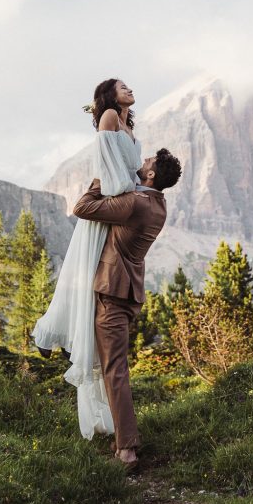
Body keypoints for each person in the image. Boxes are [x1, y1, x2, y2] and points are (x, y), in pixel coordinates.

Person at [32, 78, 141, 439]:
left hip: (118, 206)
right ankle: (51, 334)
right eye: (123, 86)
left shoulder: (126, 123)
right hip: (109, 205)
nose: (130, 89)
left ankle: (106, 412)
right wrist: (128, 201)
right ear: (109, 96)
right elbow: (110, 174)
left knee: (94, 287)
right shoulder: (110, 116)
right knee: (86, 286)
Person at [73, 147, 182, 470]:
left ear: (150, 175)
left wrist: (101, 175)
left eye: (146, 162)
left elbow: (82, 207)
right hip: (127, 291)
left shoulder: (135, 203)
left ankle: (127, 449)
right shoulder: (157, 204)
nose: (141, 162)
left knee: (114, 370)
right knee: (115, 367)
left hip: (113, 292)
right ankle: (121, 434)